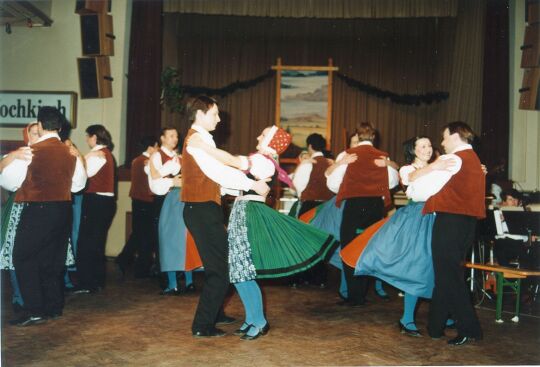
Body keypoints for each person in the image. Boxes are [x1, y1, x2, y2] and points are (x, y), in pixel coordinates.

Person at [189, 125, 338, 340]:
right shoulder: (262, 159)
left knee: (244, 271)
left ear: (271, 141)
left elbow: (233, 161)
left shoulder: (262, 161)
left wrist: (203, 147)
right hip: (242, 211)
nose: (258, 135)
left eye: (263, 134)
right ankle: (251, 318)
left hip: (249, 214)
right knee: (239, 271)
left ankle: (259, 321)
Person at [340, 136, 457, 336]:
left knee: (435, 268)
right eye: (423, 146)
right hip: (416, 220)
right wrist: (436, 166)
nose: (428, 149)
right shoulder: (407, 169)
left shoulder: (439, 168)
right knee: (416, 267)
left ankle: (442, 312)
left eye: (429, 145)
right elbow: (411, 178)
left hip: (437, 219)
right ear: (413, 150)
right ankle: (407, 318)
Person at [181, 95, 270, 338]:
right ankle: (202, 325)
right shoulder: (197, 140)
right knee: (220, 270)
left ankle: (214, 313)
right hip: (201, 210)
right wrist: (251, 184)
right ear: (200, 114)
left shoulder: (200, 138)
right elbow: (219, 172)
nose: (219, 119)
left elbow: (215, 180)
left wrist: (244, 184)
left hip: (201, 209)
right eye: (214, 114)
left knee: (220, 266)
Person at [1, 107, 87, 326]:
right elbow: (79, 185)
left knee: (22, 257)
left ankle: (34, 310)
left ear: (39, 125)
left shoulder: (32, 152)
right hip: (63, 210)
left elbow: (10, 182)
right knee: (53, 260)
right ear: (60, 127)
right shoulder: (71, 152)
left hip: (37, 210)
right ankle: (54, 307)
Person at [409, 122, 485, 345]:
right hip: (466, 224)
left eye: (443, 137)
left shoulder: (454, 159)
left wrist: (414, 181)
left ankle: (470, 330)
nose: (441, 143)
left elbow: (423, 191)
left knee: (449, 277)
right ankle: (434, 327)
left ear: (455, 136)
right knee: (445, 275)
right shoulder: (473, 159)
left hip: (450, 222)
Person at [326, 123, 399, 306]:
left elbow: (333, 183)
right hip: (374, 206)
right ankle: (362, 294)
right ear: (373, 137)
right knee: (366, 249)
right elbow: (392, 182)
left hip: (354, 205)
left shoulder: (348, 155)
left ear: (357, 136)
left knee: (348, 248)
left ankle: (353, 296)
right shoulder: (383, 156)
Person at [148, 127, 200, 294]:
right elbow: (154, 180)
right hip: (166, 199)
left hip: (181, 199)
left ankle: (187, 281)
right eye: (171, 136)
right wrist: (172, 181)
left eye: (177, 136)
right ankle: (173, 283)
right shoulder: (158, 156)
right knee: (169, 241)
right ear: (162, 138)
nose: (175, 139)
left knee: (184, 239)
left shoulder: (180, 157)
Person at [75, 124, 116, 293]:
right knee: (95, 243)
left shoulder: (98, 155)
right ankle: (95, 282)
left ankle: (88, 283)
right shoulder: (104, 153)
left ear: (94, 137)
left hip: (96, 202)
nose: (86, 140)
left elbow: (84, 173)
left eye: (87, 136)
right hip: (102, 202)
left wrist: (80, 156)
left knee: (87, 243)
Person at [290, 133, 335, 288]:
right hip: (328, 207)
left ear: (309, 146)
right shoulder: (331, 163)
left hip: (310, 206)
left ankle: (303, 277)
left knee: (303, 241)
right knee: (320, 241)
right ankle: (320, 278)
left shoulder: (308, 163)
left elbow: (297, 186)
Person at [116, 136, 159, 278]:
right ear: (151, 147)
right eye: (157, 146)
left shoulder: (136, 160)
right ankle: (141, 268)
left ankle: (123, 259)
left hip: (138, 201)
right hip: (147, 201)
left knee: (138, 234)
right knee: (146, 236)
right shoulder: (147, 161)